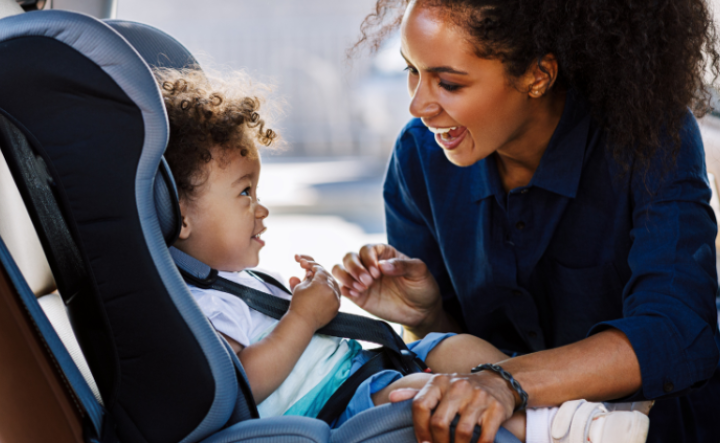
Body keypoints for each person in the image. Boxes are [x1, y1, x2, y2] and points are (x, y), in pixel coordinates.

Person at [333, 0, 720, 442]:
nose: (418, 105)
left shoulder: (646, 135)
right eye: (412, 71)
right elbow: (463, 361)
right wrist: (427, 315)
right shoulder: (419, 158)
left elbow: (677, 332)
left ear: (538, 75)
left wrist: (507, 382)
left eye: (448, 82)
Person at [154, 67, 649, 442]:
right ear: (180, 213)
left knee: (450, 346)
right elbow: (241, 385)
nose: (261, 209)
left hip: (370, 370)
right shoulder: (197, 306)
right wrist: (303, 317)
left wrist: (312, 302)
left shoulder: (237, 282)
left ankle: (565, 408)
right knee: (427, 394)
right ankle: (559, 430)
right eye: (244, 194)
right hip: (341, 402)